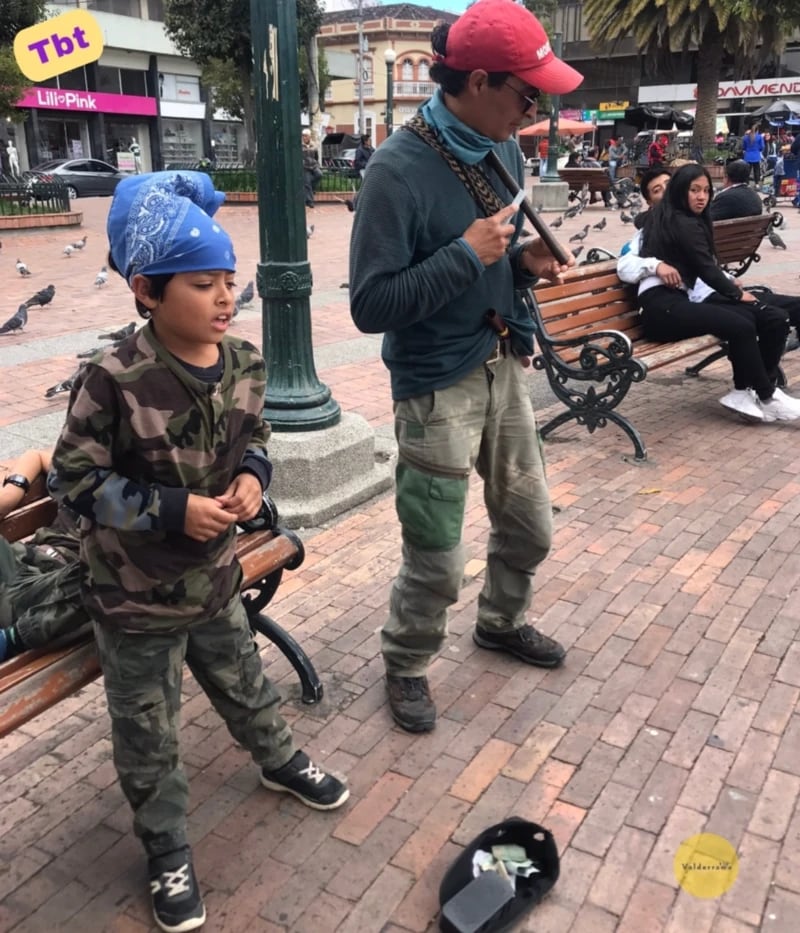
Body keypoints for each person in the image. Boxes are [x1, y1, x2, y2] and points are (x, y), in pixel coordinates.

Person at [48, 171, 349, 933]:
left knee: (246, 683)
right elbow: (74, 481)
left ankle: (279, 759)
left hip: (214, 586)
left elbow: (258, 442)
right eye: (202, 283)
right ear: (147, 290)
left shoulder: (243, 363)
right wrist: (171, 508)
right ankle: (166, 845)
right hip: (136, 600)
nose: (224, 298)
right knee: (149, 731)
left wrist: (252, 480)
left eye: (228, 280)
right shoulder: (114, 377)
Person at [349, 0, 581, 733]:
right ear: (478, 81)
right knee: (436, 556)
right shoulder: (396, 170)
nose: (533, 109)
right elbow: (370, 304)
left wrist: (522, 266)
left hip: (502, 363)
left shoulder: (501, 148)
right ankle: (407, 660)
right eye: (526, 93)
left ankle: (500, 621)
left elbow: (495, 259)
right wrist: (464, 256)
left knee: (531, 525)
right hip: (435, 385)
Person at [618, 163, 800, 422]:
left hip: (686, 300)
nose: (699, 196)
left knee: (762, 318)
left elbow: (703, 264)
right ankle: (767, 395)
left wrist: (729, 282)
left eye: (704, 190)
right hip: (663, 306)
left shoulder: (684, 222)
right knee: (743, 322)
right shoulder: (653, 228)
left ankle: (750, 391)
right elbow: (625, 263)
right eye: (658, 190)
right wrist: (655, 265)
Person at [0, 449, 87, 662]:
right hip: (23, 557)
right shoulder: (92, 470)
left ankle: (8, 641)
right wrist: (11, 494)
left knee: (120, 570)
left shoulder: (154, 499)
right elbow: (36, 456)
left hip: (56, 587)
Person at [301, 129, 323, 207]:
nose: (304, 137)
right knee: (307, 183)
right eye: (303, 136)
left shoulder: (314, 145)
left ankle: (312, 189)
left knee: (319, 175)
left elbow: (316, 156)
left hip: (313, 166)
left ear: (309, 136)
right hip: (305, 167)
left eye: (306, 136)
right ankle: (310, 201)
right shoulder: (300, 145)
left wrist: (316, 164)